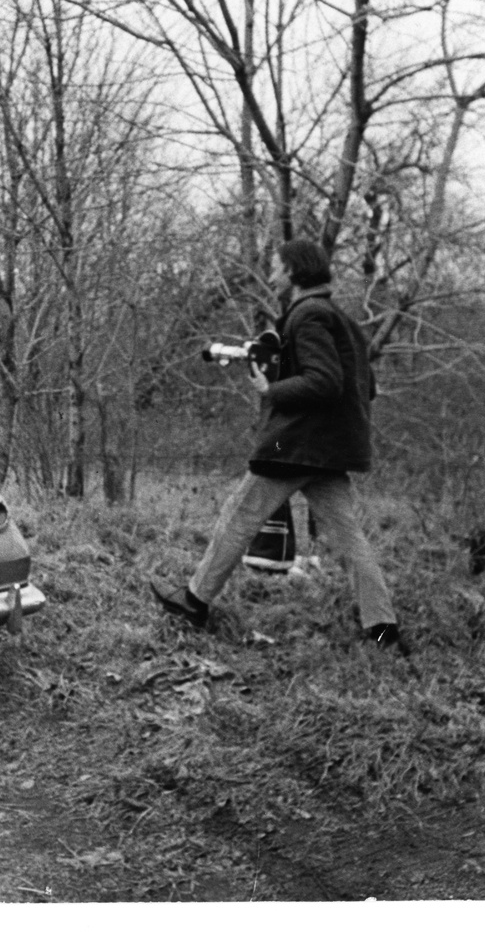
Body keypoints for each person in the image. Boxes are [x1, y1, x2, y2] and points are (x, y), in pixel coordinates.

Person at [150, 239, 405, 653]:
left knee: (238, 517)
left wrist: (273, 388)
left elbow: (325, 381)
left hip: (296, 444)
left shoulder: (308, 315)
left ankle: (193, 602)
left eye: (276, 264)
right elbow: (365, 387)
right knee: (349, 540)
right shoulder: (342, 320)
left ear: (292, 271)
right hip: (329, 448)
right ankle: (382, 632)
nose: (271, 269)